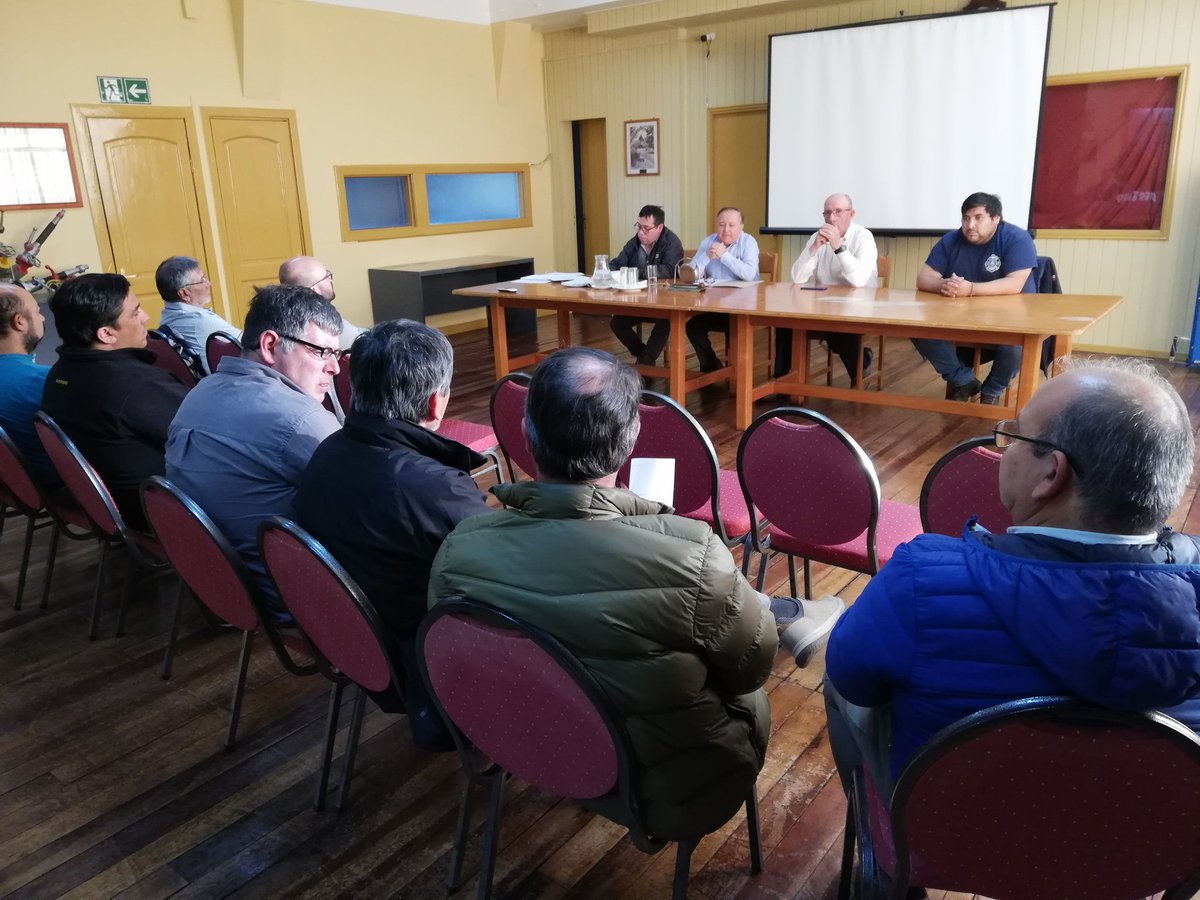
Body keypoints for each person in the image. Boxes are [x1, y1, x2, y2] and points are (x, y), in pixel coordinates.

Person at [428, 347, 843, 838]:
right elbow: (749, 669)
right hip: (669, 789)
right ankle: (787, 613)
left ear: (525, 434)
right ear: (631, 441)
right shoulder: (694, 554)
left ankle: (782, 612)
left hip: (525, 741)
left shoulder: (461, 548)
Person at [824, 357, 1200, 800]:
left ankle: (876, 843)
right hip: (1149, 860)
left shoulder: (918, 581)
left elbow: (851, 679)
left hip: (951, 852)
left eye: (1015, 435)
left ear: (1051, 474)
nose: (1004, 448)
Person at [294, 319, 489, 749]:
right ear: (437, 403)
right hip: (430, 663)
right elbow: (503, 581)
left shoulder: (326, 453)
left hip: (355, 643)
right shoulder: (432, 487)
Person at [166, 284, 342, 610]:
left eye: (336, 353)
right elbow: (371, 505)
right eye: (322, 352)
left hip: (218, 583)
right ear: (271, 345)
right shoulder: (300, 420)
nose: (335, 368)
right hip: (292, 596)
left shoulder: (199, 393)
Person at [41, 274, 189, 530]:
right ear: (106, 333)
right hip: (165, 512)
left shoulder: (59, 373)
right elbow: (213, 437)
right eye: (135, 313)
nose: (145, 317)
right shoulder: (137, 385)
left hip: (111, 508)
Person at [913, 192, 1037, 404]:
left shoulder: (1017, 238)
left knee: (1016, 344)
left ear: (996, 218)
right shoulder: (951, 240)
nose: (970, 225)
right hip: (960, 316)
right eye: (965, 218)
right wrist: (943, 284)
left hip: (1009, 317)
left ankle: (992, 389)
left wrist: (970, 288)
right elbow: (924, 277)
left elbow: (1015, 283)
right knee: (916, 327)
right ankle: (962, 379)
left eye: (978, 218)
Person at [777, 194, 878, 384]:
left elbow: (859, 281)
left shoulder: (864, 237)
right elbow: (797, 278)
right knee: (785, 321)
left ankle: (860, 366)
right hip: (823, 305)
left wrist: (839, 248)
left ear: (851, 214)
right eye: (827, 213)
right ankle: (781, 380)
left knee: (840, 328)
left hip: (858, 305)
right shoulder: (817, 237)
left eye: (838, 212)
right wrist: (813, 249)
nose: (831, 218)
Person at [608, 204, 685, 366]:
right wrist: (605, 271)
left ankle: (646, 362)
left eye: (646, 228)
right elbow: (618, 263)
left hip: (663, 301)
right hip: (639, 299)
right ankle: (642, 352)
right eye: (638, 226)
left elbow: (670, 270)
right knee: (617, 322)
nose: (640, 232)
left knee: (665, 320)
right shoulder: (634, 243)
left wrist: (633, 272)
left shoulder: (671, 242)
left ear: (659, 227)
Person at [685, 207, 760, 372]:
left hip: (743, 307)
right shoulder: (708, 242)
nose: (726, 230)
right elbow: (690, 275)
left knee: (735, 328)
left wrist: (724, 256)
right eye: (721, 224)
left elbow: (748, 274)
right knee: (692, 326)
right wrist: (706, 257)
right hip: (715, 304)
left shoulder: (748, 242)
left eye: (732, 225)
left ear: (741, 227)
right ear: (716, 225)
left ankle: (738, 375)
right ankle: (711, 365)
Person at [0, 283, 56, 483]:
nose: (42, 318)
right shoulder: (46, 381)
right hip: (62, 488)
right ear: (20, 322)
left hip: (17, 484)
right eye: (37, 311)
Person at [155, 256, 241, 373]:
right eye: (202, 280)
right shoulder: (200, 321)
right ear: (184, 293)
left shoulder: (167, 316)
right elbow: (251, 342)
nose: (208, 284)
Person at [278, 256, 365, 350]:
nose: (330, 280)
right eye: (327, 277)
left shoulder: (281, 320)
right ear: (313, 290)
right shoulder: (329, 329)